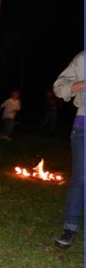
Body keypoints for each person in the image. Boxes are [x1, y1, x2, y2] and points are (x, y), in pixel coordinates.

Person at [53, 50, 84, 249]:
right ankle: (70, 227)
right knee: (81, 178)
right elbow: (59, 88)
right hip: (84, 125)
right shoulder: (82, 59)